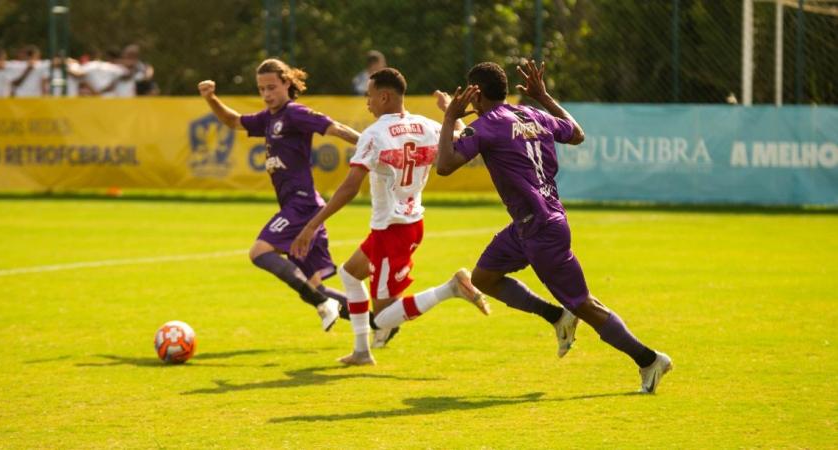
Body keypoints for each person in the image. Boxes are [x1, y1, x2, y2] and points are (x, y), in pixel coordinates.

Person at [436, 61, 673, 393]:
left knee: (584, 304)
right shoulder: (532, 115)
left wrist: (449, 117)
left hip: (541, 230)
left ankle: (649, 360)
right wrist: (545, 98)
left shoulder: (487, 125)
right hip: (530, 224)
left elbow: (444, 165)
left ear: (475, 94)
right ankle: (557, 316)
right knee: (483, 278)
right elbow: (576, 133)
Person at [290, 68, 490, 366]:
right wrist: (450, 112)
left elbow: (350, 187)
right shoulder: (426, 126)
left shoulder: (374, 134)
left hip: (392, 230)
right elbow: (465, 138)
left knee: (382, 317)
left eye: (370, 96)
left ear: (384, 97)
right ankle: (361, 351)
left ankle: (451, 288)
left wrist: (311, 225)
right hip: (408, 223)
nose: (367, 103)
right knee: (349, 274)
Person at [197, 58, 364, 332]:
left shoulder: (295, 113)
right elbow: (232, 121)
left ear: (287, 83)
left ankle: (323, 304)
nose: (266, 94)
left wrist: (370, 142)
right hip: (300, 205)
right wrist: (210, 98)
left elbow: (334, 127)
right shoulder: (268, 118)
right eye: (261, 89)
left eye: (272, 87)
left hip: (302, 204)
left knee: (259, 252)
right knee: (313, 286)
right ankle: (381, 322)